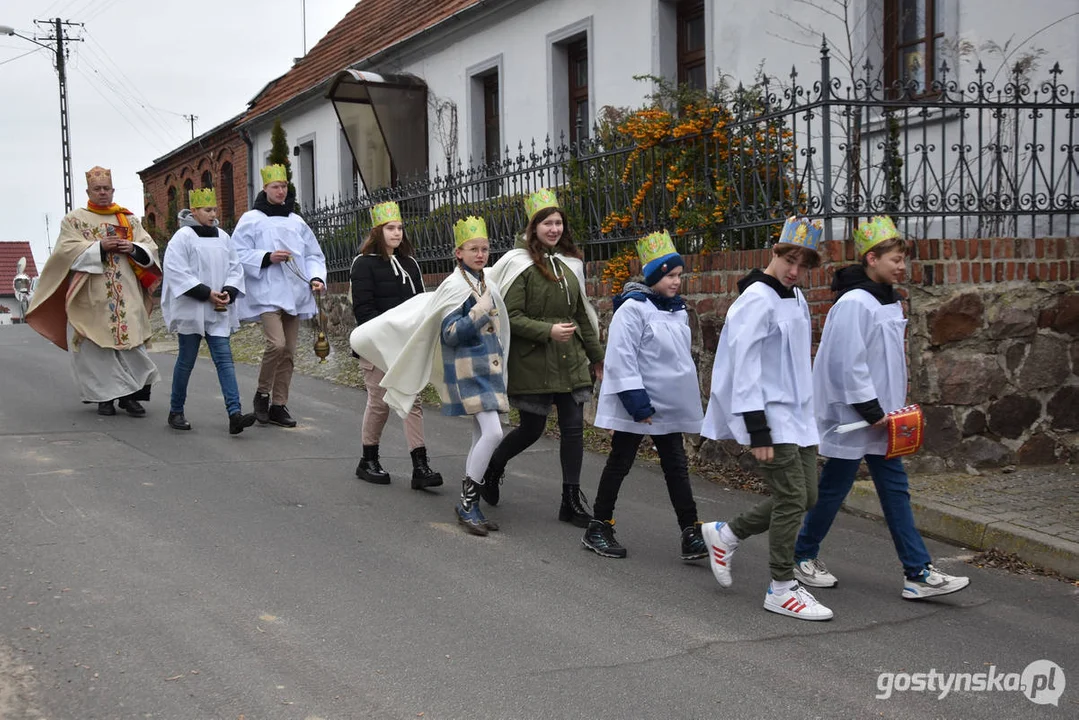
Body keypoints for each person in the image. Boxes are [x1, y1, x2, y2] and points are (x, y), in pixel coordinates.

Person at [793, 216, 970, 600]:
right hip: (857, 415)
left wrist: (890, 408)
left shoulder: (887, 300)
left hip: (881, 414)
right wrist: (872, 411)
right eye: (896, 260)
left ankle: (915, 571)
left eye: (903, 261)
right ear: (872, 259)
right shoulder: (855, 303)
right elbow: (847, 362)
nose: (902, 267)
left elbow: (885, 360)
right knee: (837, 487)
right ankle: (804, 555)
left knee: (887, 488)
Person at [699, 216, 833, 621]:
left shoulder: (794, 296)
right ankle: (781, 587)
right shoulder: (757, 298)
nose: (795, 271)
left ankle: (727, 534)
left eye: (803, 265)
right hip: (769, 417)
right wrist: (757, 428)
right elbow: (743, 367)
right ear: (774, 253)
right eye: (789, 260)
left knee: (806, 495)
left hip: (797, 415)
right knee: (793, 497)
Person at [349, 217, 510, 536]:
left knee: (483, 433)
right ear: (458, 252)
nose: (480, 254)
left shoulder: (480, 282)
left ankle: (467, 500)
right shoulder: (454, 286)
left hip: (486, 370)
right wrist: (479, 311)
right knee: (492, 433)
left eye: (484, 249)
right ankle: (466, 502)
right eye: (473, 249)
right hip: (466, 372)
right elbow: (449, 333)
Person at [582, 230, 707, 562]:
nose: (676, 281)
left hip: (666, 406)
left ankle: (690, 530)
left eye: (680, 275)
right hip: (638, 405)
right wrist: (637, 403)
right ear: (654, 276)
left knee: (676, 465)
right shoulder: (632, 309)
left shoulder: (677, 311)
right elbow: (622, 357)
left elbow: (679, 360)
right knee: (620, 462)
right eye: (670, 275)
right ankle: (599, 525)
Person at [482, 189, 603, 527]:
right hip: (534, 359)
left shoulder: (567, 265)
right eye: (547, 223)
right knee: (532, 429)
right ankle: (493, 466)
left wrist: (597, 358)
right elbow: (509, 316)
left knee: (573, 428)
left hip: (570, 358)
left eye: (558, 223)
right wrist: (546, 331)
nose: (554, 229)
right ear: (533, 227)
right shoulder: (519, 265)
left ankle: (570, 500)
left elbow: (581, 314)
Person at [26, 166, 161, 417]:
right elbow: (64, 255)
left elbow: (150, 249)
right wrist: (99, 247)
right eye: (97, 189)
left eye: (106, 189)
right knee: (96, 348)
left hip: (126, 293)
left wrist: (131, 247)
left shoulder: (128, 219)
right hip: (90, 293)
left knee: (131, 345)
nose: (102, 193)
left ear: (113, 190)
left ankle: (131, 397)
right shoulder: (75, 220)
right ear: (88, 191)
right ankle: (105, 398)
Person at [350, 200, 442, 489]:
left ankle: (420, 466)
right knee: (380, 404)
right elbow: (364, 310)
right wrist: (386, 338)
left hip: (405, 346)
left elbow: (419, 305)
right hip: (376, 345)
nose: (397, 233)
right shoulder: (362, 264)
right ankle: (368, 459)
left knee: (412, 401)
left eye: (400, 228)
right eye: (390, 228)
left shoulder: (410, 263)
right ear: (378, 231)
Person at [232, 164, 327, 428]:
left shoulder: (297, 221)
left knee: (289, 353)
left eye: (284, 186)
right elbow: (236, 252)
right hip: (268, 292)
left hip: (296, 293)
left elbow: (313, 254)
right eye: (276, 186)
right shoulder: (252, 219)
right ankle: (262, 393)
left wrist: (316, 278)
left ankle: (278, 404)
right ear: (265, 188)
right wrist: (267, 257)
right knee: (277, 344)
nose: (281, 191)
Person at [161, 188, 257, 435]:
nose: (213, 214)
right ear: (194, 212)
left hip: (218, 309)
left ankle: (234, 413)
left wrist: (228, 290)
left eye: (214, 209)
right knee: (186, 361)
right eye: (207, 210)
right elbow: (176, 271)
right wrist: (205, 292)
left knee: (225, 361)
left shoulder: (224, 237)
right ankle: (176, 410)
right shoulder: (182, 238)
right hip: (192, 308)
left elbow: (235, 268)